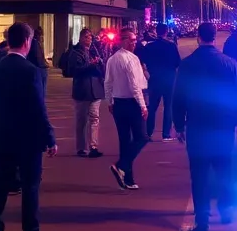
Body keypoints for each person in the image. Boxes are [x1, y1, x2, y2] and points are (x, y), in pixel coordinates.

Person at [0, 23, 56, 231]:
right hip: (28, 137)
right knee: (30, 186)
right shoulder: (30, 71)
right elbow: (38, 107)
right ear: (27, 41)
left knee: (0, 185)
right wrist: (49, 136)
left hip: (2, 135)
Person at [172, 22, 237, 231]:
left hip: (197, 126)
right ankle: (226, 212)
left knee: (199, 174)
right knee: (224, 169)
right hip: (223, 127)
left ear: (198, 37)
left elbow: (178, 97)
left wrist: (178, 124)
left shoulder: (187, 65)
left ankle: (202, 221)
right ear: (215, 37)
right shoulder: (229, 63)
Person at [104, 29, 148, 190]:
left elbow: (107, 82)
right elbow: (135, 86)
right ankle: (121, 166)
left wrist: (110, 101)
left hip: (118, 103)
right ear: (122, 40)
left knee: (125, 141)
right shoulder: (131, 59)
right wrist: (143, 106)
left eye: (135, 40)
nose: (133, 43)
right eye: (130, 40)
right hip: (132, 103)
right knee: (142, 137)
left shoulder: (112, 59)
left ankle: (127, 178)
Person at [138, 23, 182, 141]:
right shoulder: (171, 46)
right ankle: (166, 134)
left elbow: (142, 61)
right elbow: (178, 63)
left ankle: (149, 132)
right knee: (169, 107)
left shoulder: (149, 46)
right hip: (169, 79)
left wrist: (148, 73)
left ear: (156, 32)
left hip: (154, 79)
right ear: (166, 32)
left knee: (152, 106)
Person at [66, 28, 106, 158]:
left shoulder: (95, 50)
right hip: (82, 90)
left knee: (95, 118)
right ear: (82, 38)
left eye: (91, 37)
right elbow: (75, 70)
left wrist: (100, 63)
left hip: (95, 89)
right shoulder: (76, 52)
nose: (90, 39)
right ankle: (81, 148)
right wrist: (90, 64)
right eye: (87, 37)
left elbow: (102, 67)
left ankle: (93, 146)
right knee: (81, 120)